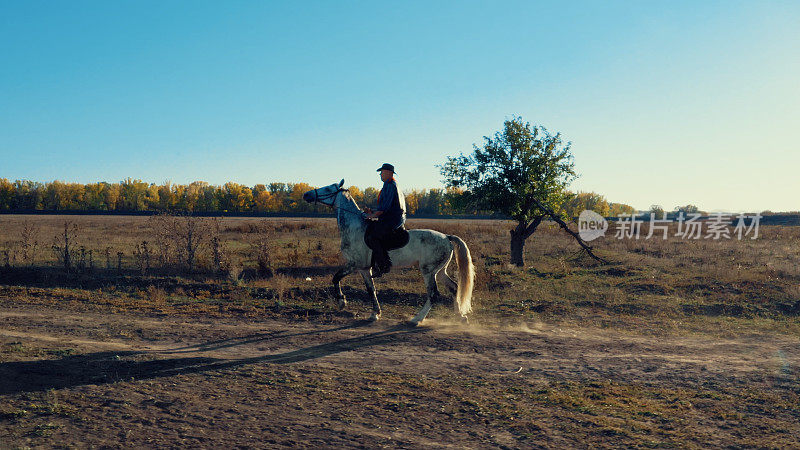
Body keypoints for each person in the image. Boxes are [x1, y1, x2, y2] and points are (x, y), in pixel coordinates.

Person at [364, 163, 406, 277]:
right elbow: (384, 206)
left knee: (373, 236)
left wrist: (373, 215)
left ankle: (384, 265)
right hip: (391, 217)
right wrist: (372, 212)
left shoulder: (390, 185)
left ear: (389, 173)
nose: (380, 175)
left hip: (393, 218)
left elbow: (385, 208)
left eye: (382, 172)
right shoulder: (389, 185)